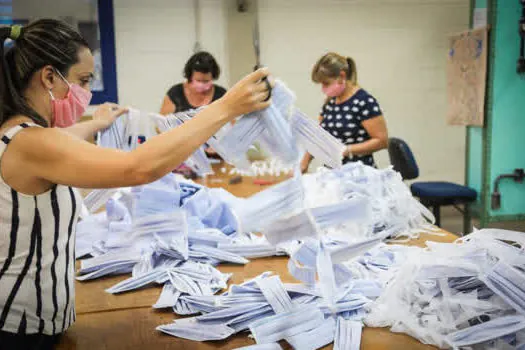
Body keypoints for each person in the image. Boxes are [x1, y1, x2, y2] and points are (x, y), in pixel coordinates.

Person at [0, 20, 271, 350]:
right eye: (83, 81)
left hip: (35, 320)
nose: (85, 94)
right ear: (49, 77)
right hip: (17, 330)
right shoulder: (31, 143)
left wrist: (99, 123)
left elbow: (66, 141)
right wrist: (224, 108)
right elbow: (138, 167)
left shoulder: (20, 134)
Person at [301, 52, 388, 173]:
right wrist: (303, 165)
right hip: (332, 174)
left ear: (342, 76)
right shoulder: (330, 103)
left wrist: (346, 150)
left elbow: (382, 141)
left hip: (359, 175)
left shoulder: (364, 101)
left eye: (326, 83)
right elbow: (318, 137)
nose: (323, 88)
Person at [159, 51, 227, 115]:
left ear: (213, 77)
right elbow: (160, 125)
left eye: (206, 81)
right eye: (198, 80)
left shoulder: (222, 95)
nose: (202, 84)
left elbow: (233, 123)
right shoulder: (175, 94)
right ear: (190, 77)